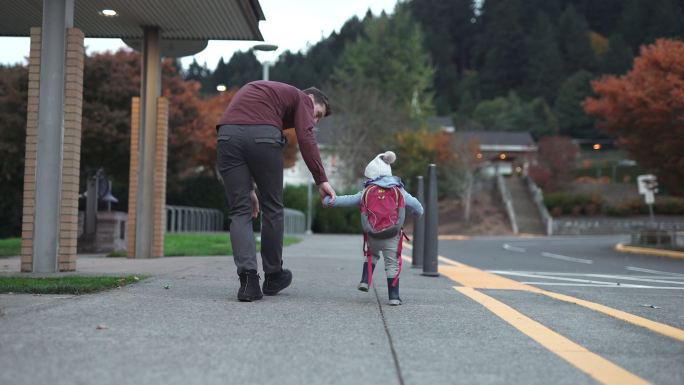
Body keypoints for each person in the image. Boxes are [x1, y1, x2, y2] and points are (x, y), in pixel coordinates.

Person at [216, 80, 336, 302]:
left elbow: (244, 133)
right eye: (317, 113)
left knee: (239, 211)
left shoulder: (269, 95)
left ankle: (249, 283)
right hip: (263, 136)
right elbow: (306, 138)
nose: (314, 120)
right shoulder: (302, 97)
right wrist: (321, 179)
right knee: (273, 208)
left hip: (226, 136)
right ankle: (273, 276)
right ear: (311, 100)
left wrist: (250, 189)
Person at [323, 151, 423, 305]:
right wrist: (417, 213)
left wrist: (328, 200)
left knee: (371, 255)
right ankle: (394, 297)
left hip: (373, 234)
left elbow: (347, 200)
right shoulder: (399, 190)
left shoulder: (366, 192)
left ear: (371, 176)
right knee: (392, 264)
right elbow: (416, 206)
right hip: (392, 235)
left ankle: (365, 280)